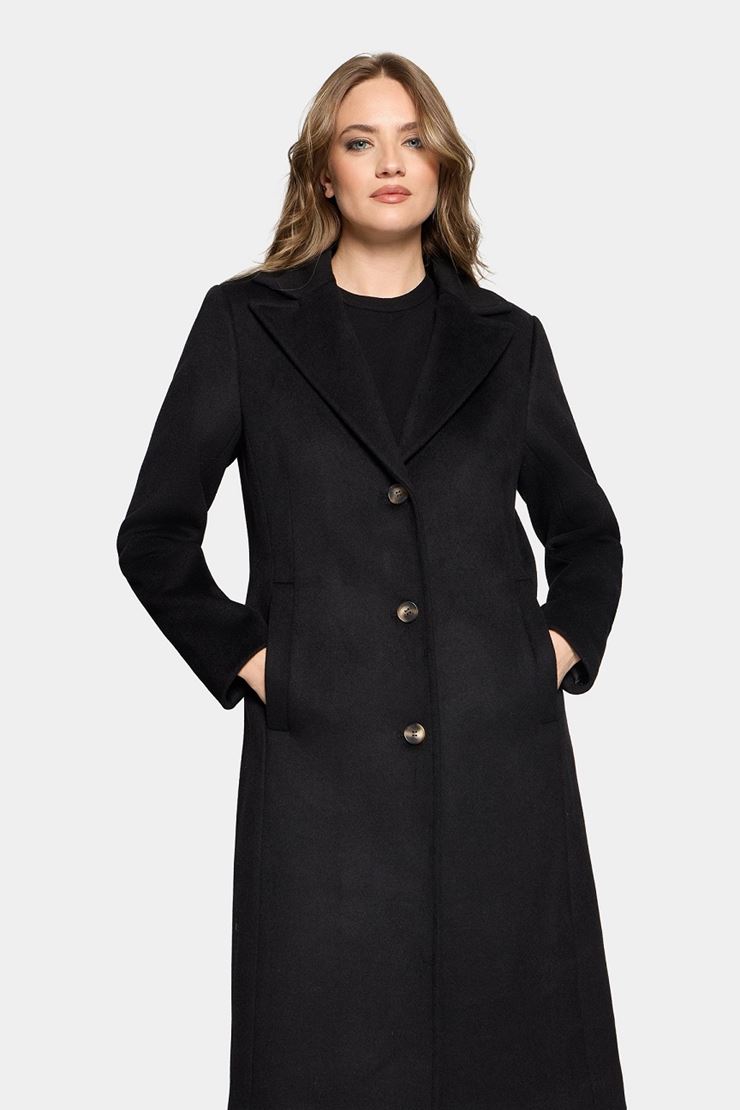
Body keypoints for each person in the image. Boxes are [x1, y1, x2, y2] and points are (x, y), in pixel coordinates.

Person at [117, 51, 627, 1110]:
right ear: (324, 173)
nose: (390, 163)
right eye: (362, 142)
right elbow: (155, 533)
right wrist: (264, 664)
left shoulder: (508, 342)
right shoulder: (246, 324)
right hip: (324, 777)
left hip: (499, 769)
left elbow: (586, 535)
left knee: (520, 1061)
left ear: (442, 169)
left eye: (412, 140)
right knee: (325, 1060)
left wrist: (540, 657)